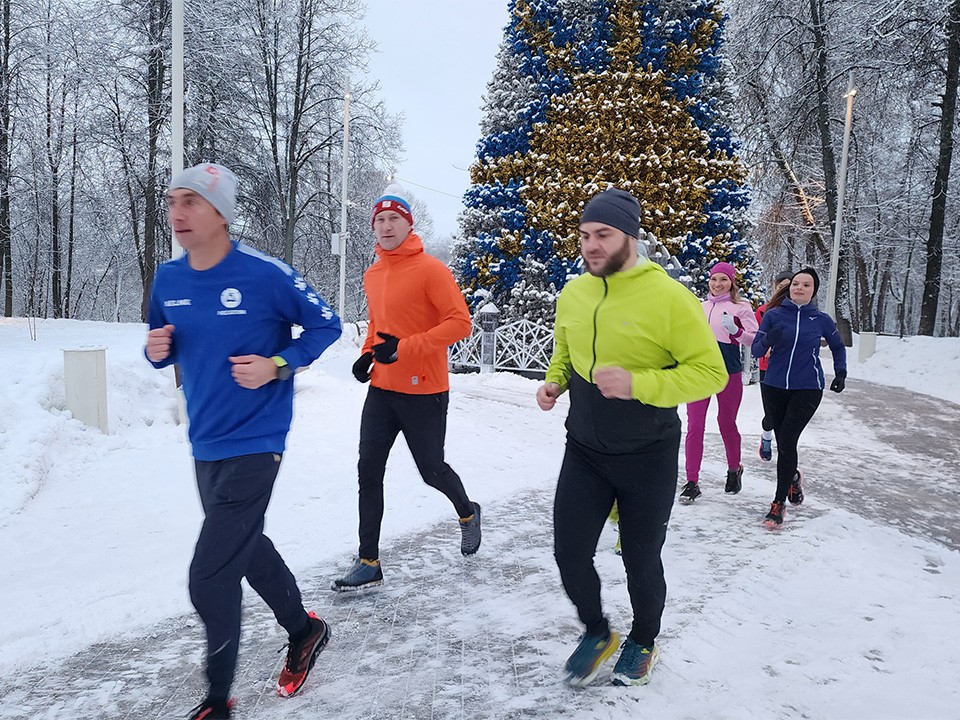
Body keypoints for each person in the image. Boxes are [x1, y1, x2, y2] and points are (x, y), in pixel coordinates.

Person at [145, 163, 342, 720]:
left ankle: (217, 702)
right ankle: (305, 631)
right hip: (205, 440)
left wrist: (279, 364)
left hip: (259, 438)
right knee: (244, 544)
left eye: (191, 202)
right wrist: (156, 348)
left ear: (220, 213)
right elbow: (162, 342)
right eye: (172, 201)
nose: (177, 212)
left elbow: (327, 325)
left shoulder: (265, 274)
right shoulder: (168, 279)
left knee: (209, 574)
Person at [536, 188, 727, 688]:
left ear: (630, 238)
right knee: (569, 552)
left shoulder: (669, 298)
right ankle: (598, 631)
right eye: (584, 236)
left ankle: (643, 639)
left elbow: (711, 373)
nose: (591, 245)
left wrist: (640, 384)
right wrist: (556, 379)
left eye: (603, 235)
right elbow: (566, 347)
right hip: (585, 450)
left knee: (641, 557)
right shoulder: (574, 294)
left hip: (648, 454)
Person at [332, 183, 481, 592]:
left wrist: (406, 349)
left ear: (408, 223)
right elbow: (380, 326)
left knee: (432, 470)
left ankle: (467, 512)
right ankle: (369, 561)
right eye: (379, 220)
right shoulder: (373, 272)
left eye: (393, 218)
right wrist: (367, 354)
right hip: (382, 391)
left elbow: (459, 323)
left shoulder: (432, 269)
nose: (385, 226)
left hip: (425, 391)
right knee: (368, 472)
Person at [750, 267, 847, 528]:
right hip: (775, 386)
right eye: (795, 284)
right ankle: (792, 479)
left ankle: (778, 503)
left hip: (807, 388)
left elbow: (837, 346)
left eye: (806, 285)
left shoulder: (821, 319)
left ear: (813, 290)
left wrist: (841, 372)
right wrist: (769, 337)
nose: (799, 288)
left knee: (789, 440)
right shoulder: (773, 315)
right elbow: (756, 350)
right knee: (784, 444)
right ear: (789, 288)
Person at [680, 261, 759, 502]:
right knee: (695, 425)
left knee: (726, 423)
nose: (717, 284)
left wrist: (735, 332)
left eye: (723, 279)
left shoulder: (741, 307)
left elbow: (754, 342)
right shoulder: (700, 307)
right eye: (714, 279)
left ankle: (734, 469)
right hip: (700, 371)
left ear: (732, 282)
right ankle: (692, 481)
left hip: (728, 371)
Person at [755, 271, 793, 461]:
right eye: (781, 287)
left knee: (788, 415)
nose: (784, 291)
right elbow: (757, 339)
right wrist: (766, 345)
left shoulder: (800, 314)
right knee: (771, 413)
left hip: (791, 368)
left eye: (789, 287)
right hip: (767, 368)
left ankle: (786, 453)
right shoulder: (763, 311)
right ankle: (766, 437)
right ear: (774, 288)